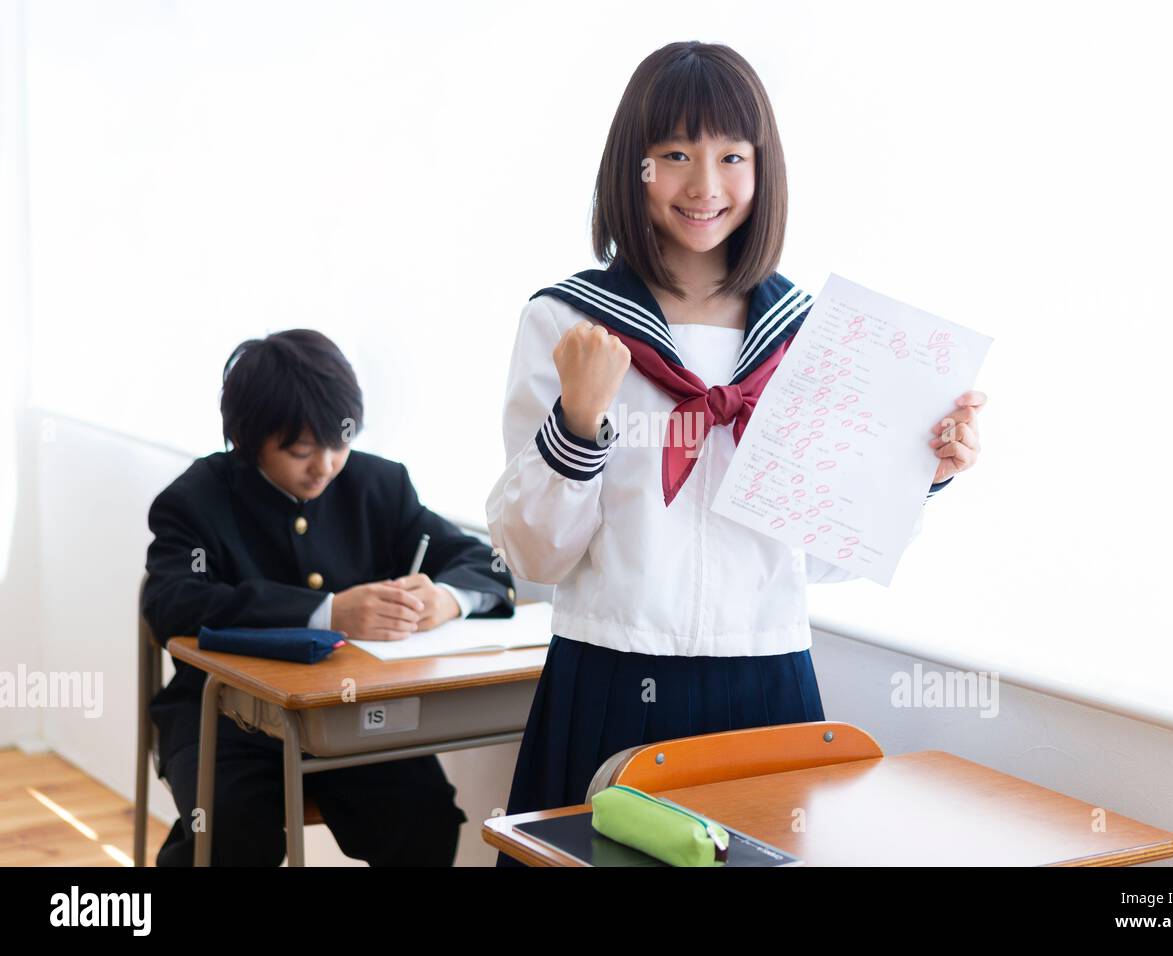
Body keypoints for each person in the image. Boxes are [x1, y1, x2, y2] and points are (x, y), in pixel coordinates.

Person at [485, 41, 986, 862]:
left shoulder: (809, 338)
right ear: (633, 168)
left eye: (731, 155)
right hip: (611, 672)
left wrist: (919, 476)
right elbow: (537, 556)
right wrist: (577, 422)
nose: (704, 185)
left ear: (763, 170)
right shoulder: (568, 324)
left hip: (768, 679)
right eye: (674, 154)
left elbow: (817, 559)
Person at [142, 328, 514, 866]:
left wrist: (449, 598)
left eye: (339, 443)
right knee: (231, 835)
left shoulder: (377, 485)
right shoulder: (196, 498)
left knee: (425, 817)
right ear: (248, 440)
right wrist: (328, 612)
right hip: (224, 721)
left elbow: (485, 562)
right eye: (300, 451)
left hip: (353, 719)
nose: (325, 466)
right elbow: (170, 604)